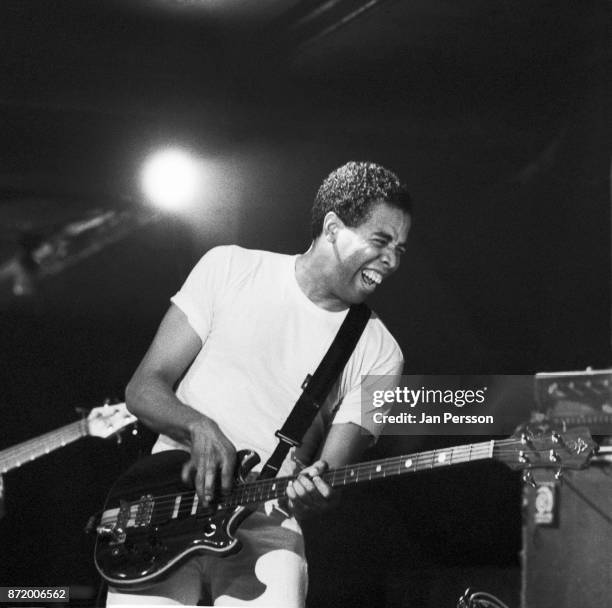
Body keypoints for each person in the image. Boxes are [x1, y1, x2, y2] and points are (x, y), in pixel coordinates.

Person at [107, 161, 412, 607]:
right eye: (381, 241)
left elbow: (331, 479)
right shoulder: (228, 266)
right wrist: (200, 427)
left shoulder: (382, 351)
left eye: (400, 250)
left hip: (267, 522)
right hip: (164, 507)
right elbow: (143, 389)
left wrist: (315, 492)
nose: (391, 260)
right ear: (332, 227)